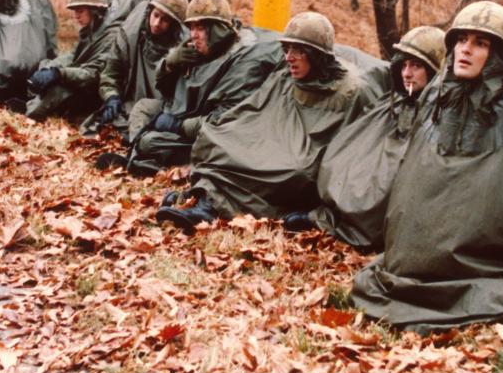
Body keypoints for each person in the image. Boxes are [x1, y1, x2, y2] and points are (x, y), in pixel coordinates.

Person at [350, 1, 503, 332]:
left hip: (496, 262)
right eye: (461, 40)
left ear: (499, 54)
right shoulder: (437, 95)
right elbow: (413, 175)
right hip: (417, 254)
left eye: (481, 43)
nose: (466, 50)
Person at [154, 12, 381, 229]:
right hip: (272, 140)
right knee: (218, 139)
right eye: (286, 49)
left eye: (297, 51)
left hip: (304, 159)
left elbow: (359, 146)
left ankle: (209, 205)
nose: (289, 57)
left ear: (317, 54)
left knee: (288, 172)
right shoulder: (286, 75)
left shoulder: (353, 91)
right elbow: (256, 109)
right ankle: (203, 198)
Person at [284, 25, 446, 248]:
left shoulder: (441, 114)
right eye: (404, 65)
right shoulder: (394, 102)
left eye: (416, 66)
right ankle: (328, 219)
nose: (407, 73)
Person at [113, 0, 281, 177]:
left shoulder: (241, 63)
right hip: (185, 111)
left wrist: (179, 125)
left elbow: (224, 121)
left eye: (200, 28)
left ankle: (151, 156)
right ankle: (137, 153)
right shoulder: (200, 48)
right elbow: (165, 89)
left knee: (151, 142)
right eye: (191, 28)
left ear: (217, 29)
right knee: (143, 108)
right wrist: (169, 64)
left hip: (210, 130)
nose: (193, 35)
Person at [25, 0, 139, 121]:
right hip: (84, 81)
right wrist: (50, 68)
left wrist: (59, 73)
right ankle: (32, 103)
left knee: (59, 90)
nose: (76, 16)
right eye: (74, 11)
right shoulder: (91, 29)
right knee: (44, 64)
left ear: (94, 10)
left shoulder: (111, 35)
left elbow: (93, 74)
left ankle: (33, 114)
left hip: (96, 91)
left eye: (80, 11)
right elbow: (74, 55)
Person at [82, 0, 187, 134]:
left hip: (165, 110)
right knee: (96, 129)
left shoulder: (183, 49)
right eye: (155, 15)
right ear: (150, 11)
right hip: (130, 105)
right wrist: (111, 97)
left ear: (174, 25)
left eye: (164, 20)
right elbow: (112, 72)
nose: (156, 23)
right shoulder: (131, 35)